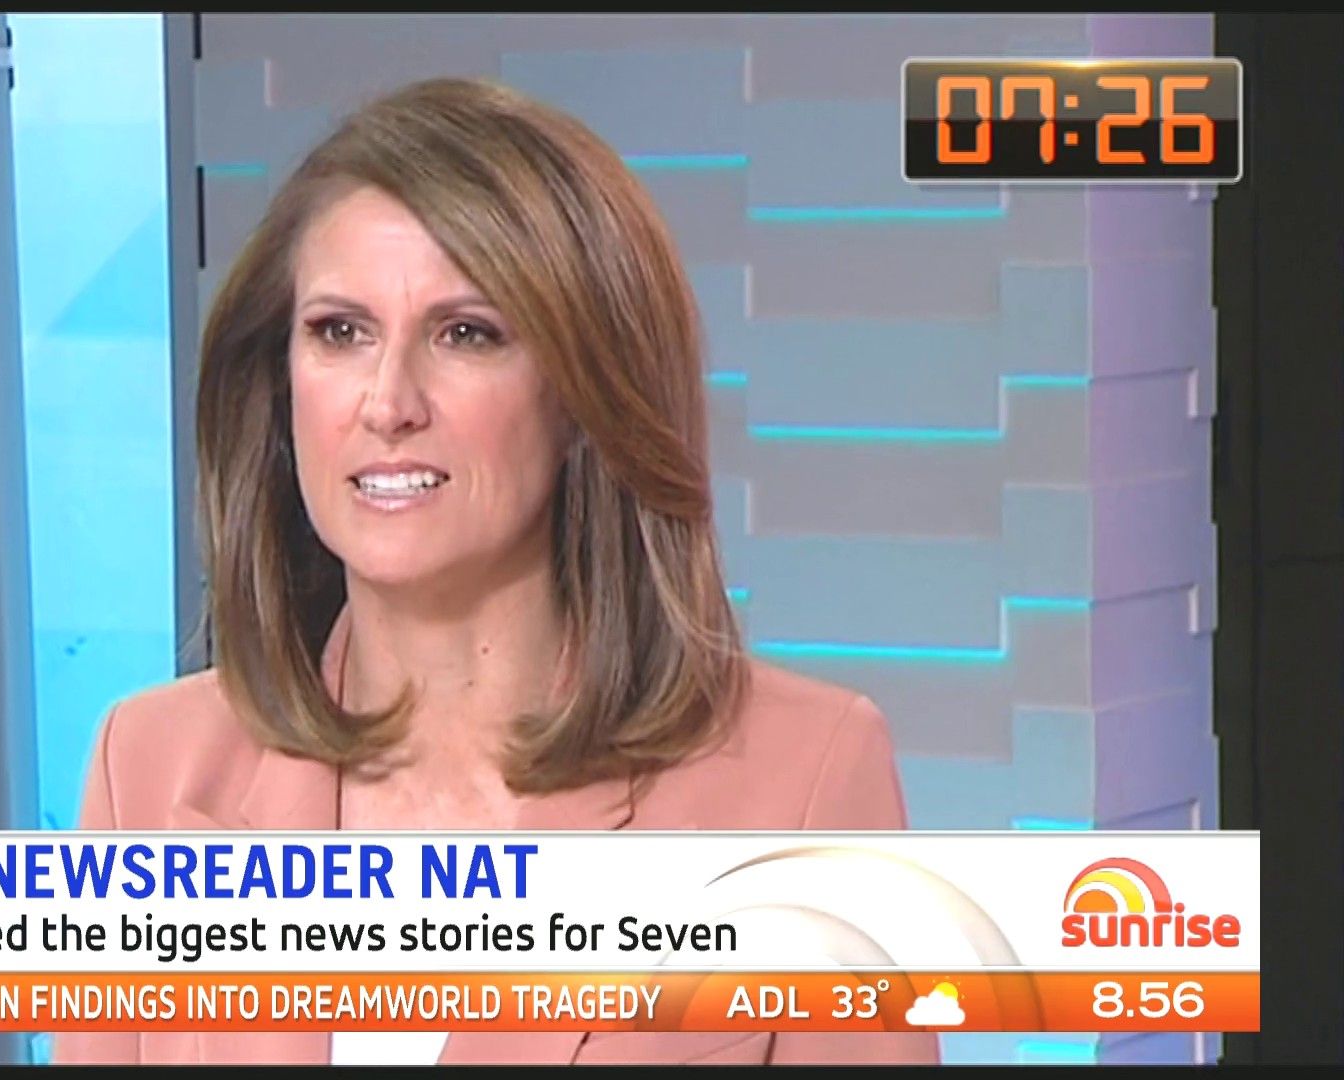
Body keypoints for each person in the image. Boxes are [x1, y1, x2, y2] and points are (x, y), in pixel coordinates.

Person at [52, 77, 937, 1067]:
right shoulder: (150, 769)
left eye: (465, 333)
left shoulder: (806, 782)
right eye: (340, 332)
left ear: (583, 398)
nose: (388, 403)